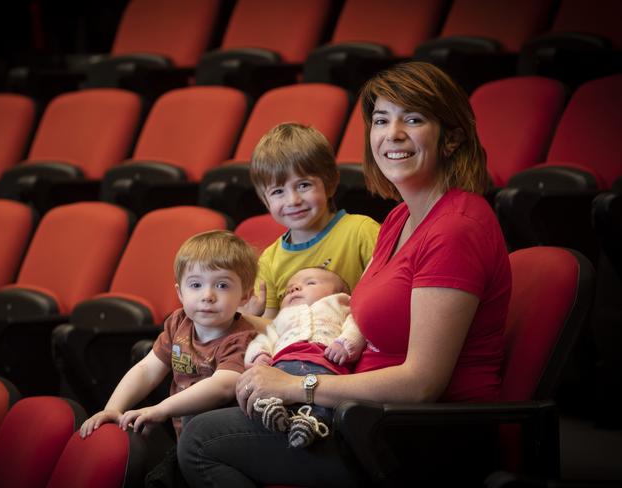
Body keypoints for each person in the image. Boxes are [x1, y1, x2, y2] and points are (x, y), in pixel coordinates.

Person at [177, 61, 512, 487]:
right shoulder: (398, 220)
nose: (392, 134)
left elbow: (422, 383)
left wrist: (297, 387)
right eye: (381, 120)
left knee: (200, 443)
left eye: (413, 119)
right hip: (369, 418)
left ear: (453, 137)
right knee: (205, 419)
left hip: (423, 436)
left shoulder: (456, 228)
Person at [79, 230, 258, 440]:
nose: (207, 296)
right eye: (196, 285)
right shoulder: (178, 322)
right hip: (185, 435)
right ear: (180, 293)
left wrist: (161, 409)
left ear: (245, 295)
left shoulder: (243, 337)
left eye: (222, 285)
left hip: (220, 441)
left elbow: (223, 386)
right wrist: (113, 408)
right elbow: (146, 370)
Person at [244, 122, 380, 319]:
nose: (293, 200)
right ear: (265, 201)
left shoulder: (362, 231)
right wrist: (248, 319)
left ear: (331, 184)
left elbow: (390, 295)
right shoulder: (269, 260)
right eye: (278, 191)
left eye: (304, 185)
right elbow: (271, 327)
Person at [245, 266, 365, 448]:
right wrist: (259, 354)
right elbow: (265, 338)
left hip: (325, 361)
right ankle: (273, 412)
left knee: (324, 399)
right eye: (288, 290)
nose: (294, 289)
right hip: (282, 365)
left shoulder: (341, 306)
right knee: (268, 390)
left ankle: (312, 422)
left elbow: (356, 326)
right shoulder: (282, 318)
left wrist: (346, 344)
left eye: (310, 283)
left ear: (340, 292)